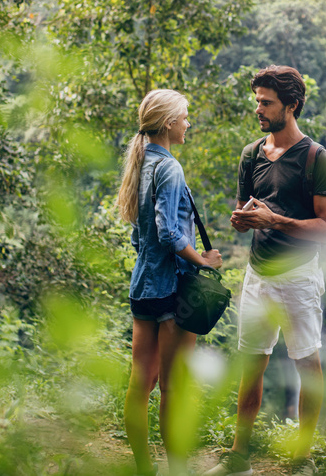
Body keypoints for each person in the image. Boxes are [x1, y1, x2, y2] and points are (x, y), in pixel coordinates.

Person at [204, 66, 326, 476]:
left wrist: (276, 221)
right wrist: (243, 221)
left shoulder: (317, 159)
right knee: (251, 362)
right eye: (257, 101)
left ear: (292, 105)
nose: (259, 109)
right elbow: (249, 209)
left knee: (306, 366)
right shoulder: (250, 155)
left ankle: (302, 459)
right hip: (258, 275)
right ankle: (239, 455)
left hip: (299, 277)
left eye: (267, 103)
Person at [117, 88, 223, 476]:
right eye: (185, 117)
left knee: (139, 384)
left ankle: (145, 469)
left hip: (143, 286)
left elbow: (139, 236)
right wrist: (205, 261)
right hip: (174, 289)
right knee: (173, 388)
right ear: (168, 123)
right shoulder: (169, 168)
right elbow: (169, 233)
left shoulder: (141, 163)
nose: (188, 123)